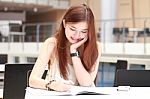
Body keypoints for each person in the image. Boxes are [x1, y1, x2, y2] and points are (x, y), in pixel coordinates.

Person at [29, 4, 101, 92]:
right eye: (72, 29)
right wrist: (52, 85)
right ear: (64, 23)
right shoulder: (52, 44)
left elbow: (85, 83)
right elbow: (32, 80)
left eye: (83, 31)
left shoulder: (95, 47)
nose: (77, 35)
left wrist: (74, 52)